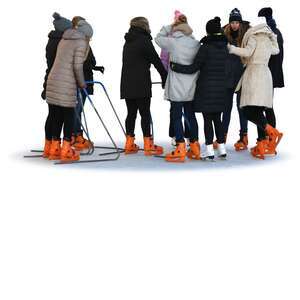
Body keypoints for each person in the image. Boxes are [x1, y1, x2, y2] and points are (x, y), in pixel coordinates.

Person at [171, 17, 229, 161]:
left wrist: (175, 66)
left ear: (208, 31)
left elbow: (193, 68)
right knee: (218, 118)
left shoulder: (205, 48)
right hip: (221, 88)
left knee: (208, 119)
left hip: (206, 88)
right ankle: (222, 149)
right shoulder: (225, 48)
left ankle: (209, 150)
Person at [228, 21, 283, 159]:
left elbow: (247, 52)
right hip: (265, 74)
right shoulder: (267, 40)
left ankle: (272, 132)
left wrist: (231, 48)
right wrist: (273, 36)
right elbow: (276, 50)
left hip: (254, 74)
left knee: (248, 111)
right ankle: (262, 143)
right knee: (259, 110)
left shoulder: (254, 38)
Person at [46, 20, 93, 162]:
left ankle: (54, 148)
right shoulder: (81, 43)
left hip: (53, 80)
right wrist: (82, 83)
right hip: (67, 83)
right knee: (69, 115)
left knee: (56, 115)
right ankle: (66, 150)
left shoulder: (64, 39)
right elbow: (77, 67)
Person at [155, 13, 200, 162]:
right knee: (190, 116)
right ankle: (194, 146)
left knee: (176, 116)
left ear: (177, 29)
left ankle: (180, 146)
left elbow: (158, 38)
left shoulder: (173, 42)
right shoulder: (195, 43)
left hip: (176, 87)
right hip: (190, 87)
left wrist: (170, 26)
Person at [120, 17, 167, 156]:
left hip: (127, 83)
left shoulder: (128, 41)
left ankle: (129, 143)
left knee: (131, 113)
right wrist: (165, 77)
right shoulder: (144, 41)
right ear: (144, 26)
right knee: (145, 113)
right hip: (141, 83)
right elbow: (156, 61)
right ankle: (148, 145)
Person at [217, 8, 251, 151]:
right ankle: (222, 136)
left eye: (237, 22)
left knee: (241, 108)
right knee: (226, 108)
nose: (234, 25)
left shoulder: (248, 35)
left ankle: (243, 136)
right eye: (232, 22)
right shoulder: (224, 33)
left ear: (240, 22)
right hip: (227, 77)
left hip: (242, 77)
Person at [71, 16, 105, 151]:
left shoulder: (83, 44)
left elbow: (90, 61)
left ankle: (77, 134)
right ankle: (74, 136)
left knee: (78, 109)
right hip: (80, 80)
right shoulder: (79, 44)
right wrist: (91, 65)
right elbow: (80, 63)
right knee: (76, 109)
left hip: (84, 78)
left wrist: (94, 67)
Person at [41, 12, 72, 158]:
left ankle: (50, 146)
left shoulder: (51, 41)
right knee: (63, 115)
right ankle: (60, 148)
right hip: (61, 81)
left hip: (50, 80)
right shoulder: (62, 42)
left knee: (52, 114)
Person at [159, 10, 190, 147]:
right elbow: (164, 59)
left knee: (184, 110)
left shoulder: (189, 38)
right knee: (177, 110)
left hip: (184, 79)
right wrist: (166, 76)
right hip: (177, 80)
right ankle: (177, 135)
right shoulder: (170, 40)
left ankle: (185, 136)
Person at [256, 7, 284, 155]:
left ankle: (265, 140)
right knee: (267, 107)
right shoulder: (277, 33)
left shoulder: (269, 35)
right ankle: (268, 140)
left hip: (265, 76)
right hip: (272, 76)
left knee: (260, 107)